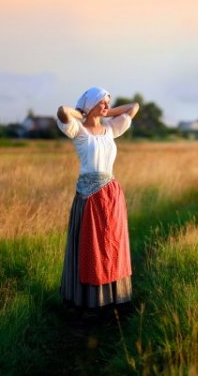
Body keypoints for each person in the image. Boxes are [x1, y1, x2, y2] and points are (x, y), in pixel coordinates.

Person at [55, 86, 139, 314]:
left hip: (111, 195)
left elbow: (133, 108)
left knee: (112, 246)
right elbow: (62, 111)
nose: (107, 106)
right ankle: (88, 301)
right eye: (103, 102)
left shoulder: (110, 129)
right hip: (88, 196)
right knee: (91, 247)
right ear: (91, 104)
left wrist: (104, 112)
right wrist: (83, 113)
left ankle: (114, 298)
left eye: (108, 103)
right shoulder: (79, 131)